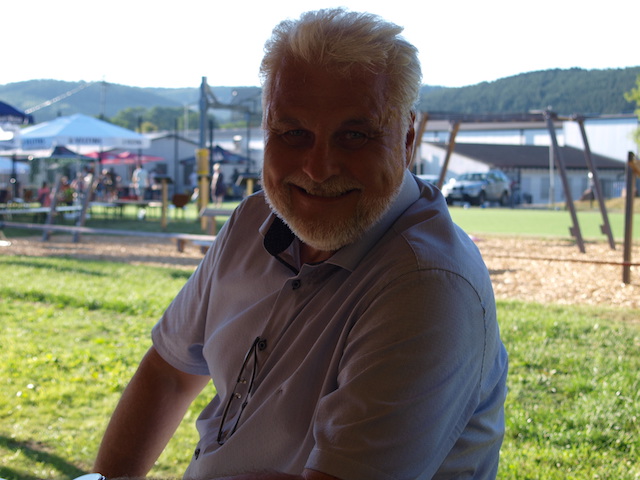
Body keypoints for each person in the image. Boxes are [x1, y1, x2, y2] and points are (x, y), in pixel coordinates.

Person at [93, 8, 508, 480]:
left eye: (355, 135)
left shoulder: (428, 286)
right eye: (293, 133)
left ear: (407, 138)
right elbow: (168, 376)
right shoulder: (254, 219)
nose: (317, 168)